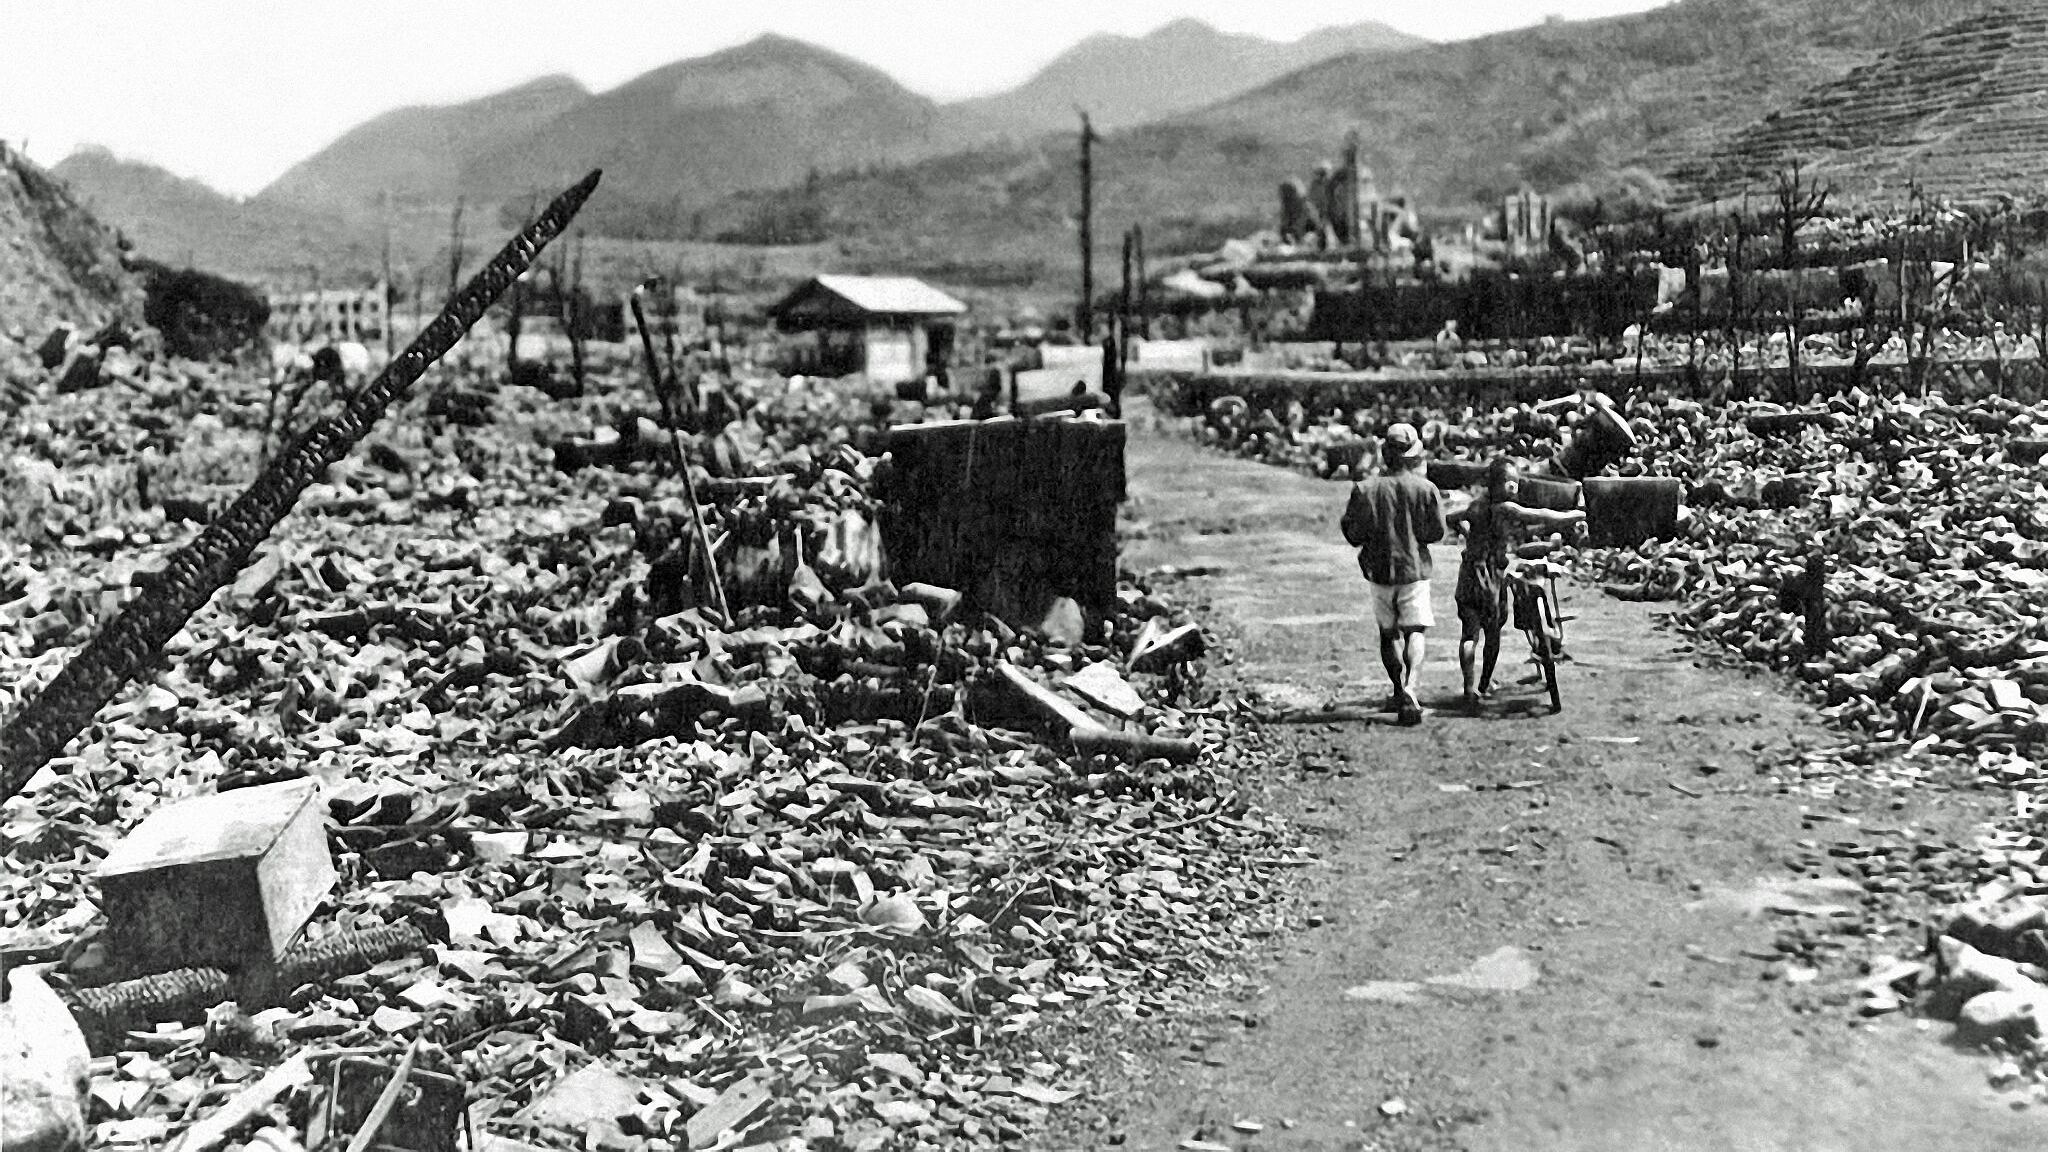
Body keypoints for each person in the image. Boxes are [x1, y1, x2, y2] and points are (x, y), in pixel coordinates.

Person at [1446, 459, 1585, 710]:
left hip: (1468, 572)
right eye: (1511, 482)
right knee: (1492, 633)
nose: (1515, 487)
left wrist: (1468, 535)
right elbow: (1540, 515)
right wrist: (1574, 516)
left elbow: (1452, 517)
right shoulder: (1504, 508)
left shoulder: (1476, 505)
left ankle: (1468, 688)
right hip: (1489, 575)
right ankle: (1484, 684)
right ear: (1499, 485)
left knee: (1469, 634)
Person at [1340, 423, 1445, 725]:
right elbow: (1436, 532)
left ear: (1385, 454)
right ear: (1413, 457)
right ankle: (1412, 686)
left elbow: (1353, 532)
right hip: (1413, 569)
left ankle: (1398, 689)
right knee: (1416, 631)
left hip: (1379, 570)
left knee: (1388, 634)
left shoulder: (1365, 489)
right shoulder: (1426, 489)